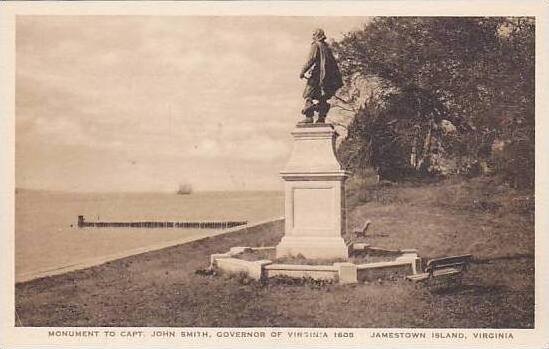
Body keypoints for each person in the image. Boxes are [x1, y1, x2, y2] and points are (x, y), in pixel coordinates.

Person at [299, 28, 343, 124]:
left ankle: (309, 117)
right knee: (322, 98)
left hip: (317, 75)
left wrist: (303, 71)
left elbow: (311, 59)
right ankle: (321, 118)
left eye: (314, 34)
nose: (312, 36)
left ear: (318, 35)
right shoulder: (326, 47)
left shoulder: (316, 45)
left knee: (308, 95)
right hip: (328, 78)